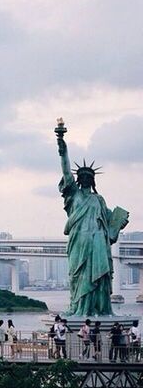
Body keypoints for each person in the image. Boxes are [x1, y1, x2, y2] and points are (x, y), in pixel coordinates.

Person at [55, 121, 129, 316]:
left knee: (101, 278)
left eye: (89, 176)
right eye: (83, 175)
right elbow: (65, 170)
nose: (86, 178)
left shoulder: (99, 199)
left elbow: (110, 229)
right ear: (78, 179)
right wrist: (62, 146)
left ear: (93, 179)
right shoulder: (74, 195)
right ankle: (80, 307)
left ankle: (100, 308)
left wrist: (119, 223)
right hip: (79, 242)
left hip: (98, 242)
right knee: (78, 275)